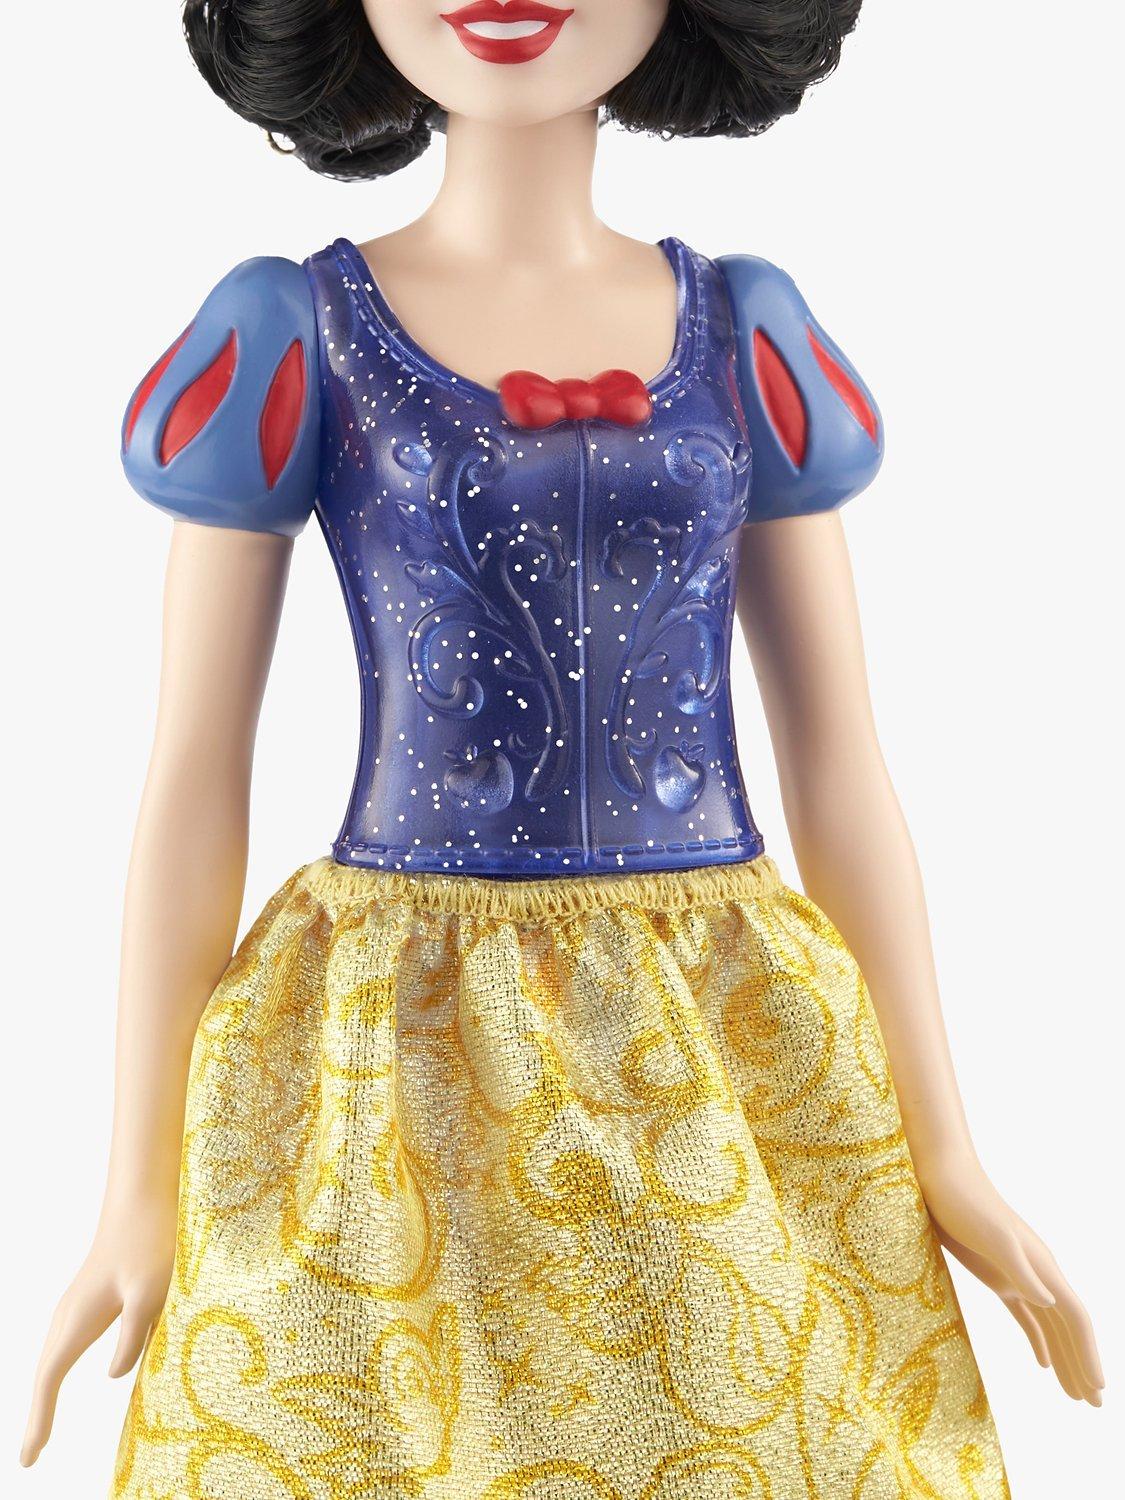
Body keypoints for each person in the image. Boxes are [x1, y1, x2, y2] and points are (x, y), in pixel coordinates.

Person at [22, 3, 1103, 1496]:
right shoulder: (297, 328)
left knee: (762, 1423)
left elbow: (841, 766)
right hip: (396, 1026)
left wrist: (948, 1150)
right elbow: (193, 776)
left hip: (712, 1018)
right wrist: (132, 1192)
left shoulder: (744, 328)